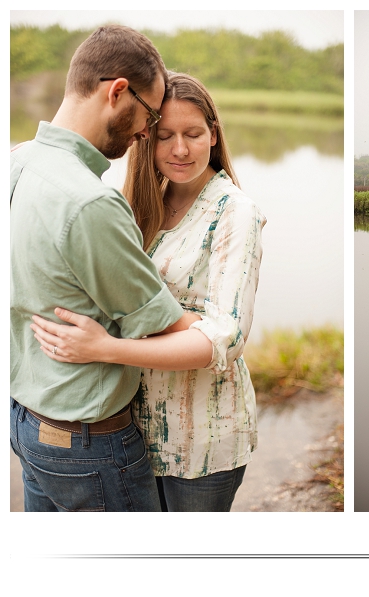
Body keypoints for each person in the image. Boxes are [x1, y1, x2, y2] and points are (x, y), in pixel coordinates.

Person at [31, 72, 266, 512]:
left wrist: (106, 348)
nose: (180, 149)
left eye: (193, 134)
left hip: (199, 439)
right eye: (165, 136)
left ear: (213, 135)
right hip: (134, 432)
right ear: (145, 140)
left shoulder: (236, 212)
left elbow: (225, 339)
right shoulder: (144, 202)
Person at [10, 25, 205, 512]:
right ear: (118, 91)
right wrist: (209, 325)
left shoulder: (17, 163)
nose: (147, 132)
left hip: (27, 424)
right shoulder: (91, 202)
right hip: (88, 445)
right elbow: (168, 327)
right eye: (151, 115)